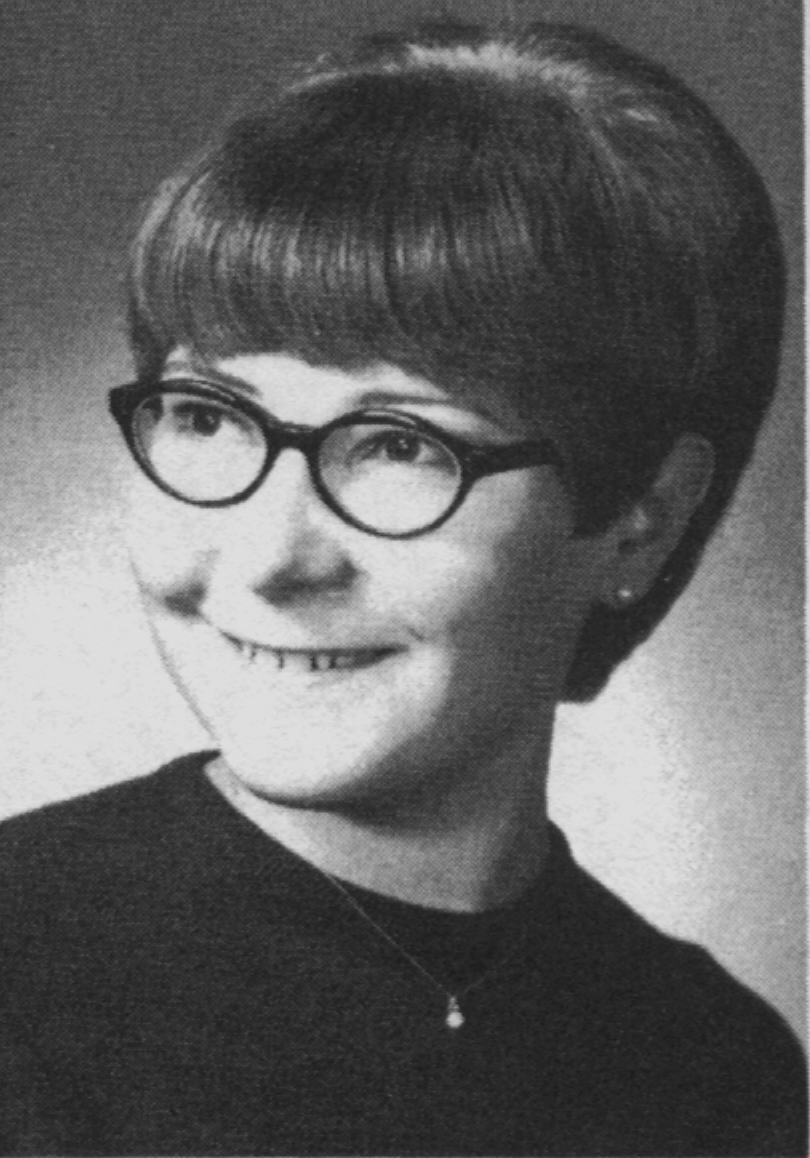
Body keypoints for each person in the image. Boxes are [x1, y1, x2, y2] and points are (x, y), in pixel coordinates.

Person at [0, 16, 805, 1157]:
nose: (271, 558)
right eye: (209, 417)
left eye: (399, 444)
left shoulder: (720, 1072)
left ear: (643, 521)